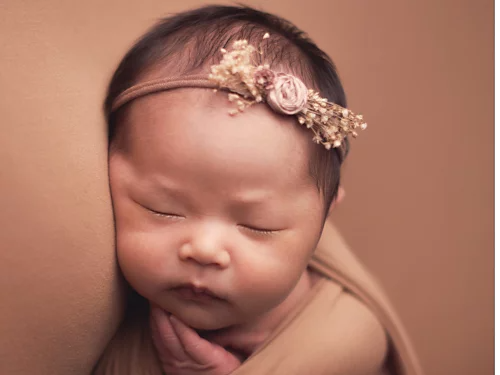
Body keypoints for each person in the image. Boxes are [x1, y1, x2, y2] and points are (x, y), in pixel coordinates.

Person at [93, 5, 422, 375]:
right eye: (161, 208)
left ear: (323, 222)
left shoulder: (342, 339)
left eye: (258, 226)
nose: (204, 250)